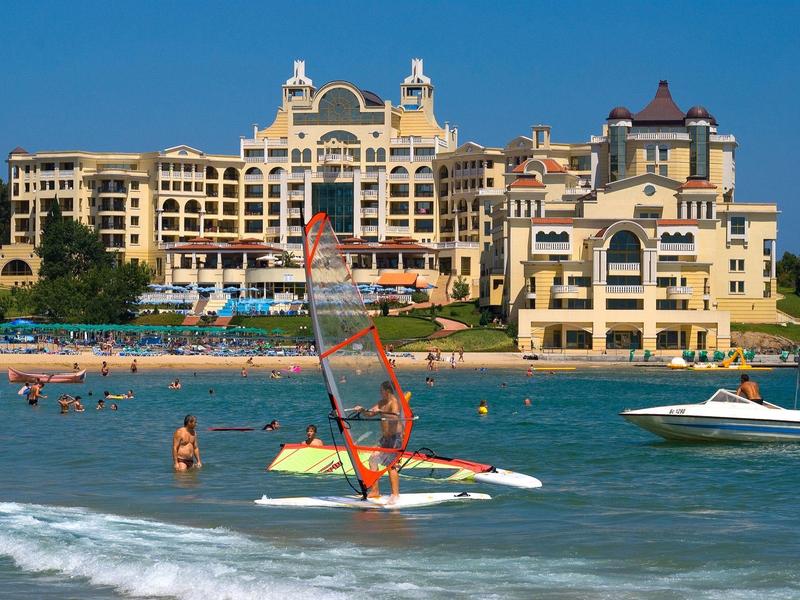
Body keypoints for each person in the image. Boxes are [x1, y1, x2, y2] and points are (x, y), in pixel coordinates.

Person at [353, 380, 405, 503]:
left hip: (395, 438)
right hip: (384, 439)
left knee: (391, 465)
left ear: (387, 391)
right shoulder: (382, 403)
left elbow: (395, 416)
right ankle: (375, 490)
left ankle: (395, 494)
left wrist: (381, 412)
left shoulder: (394, 403)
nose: (380, 393)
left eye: (381, 391)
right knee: (373, 458)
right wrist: (362, 410)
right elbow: (370, 413)